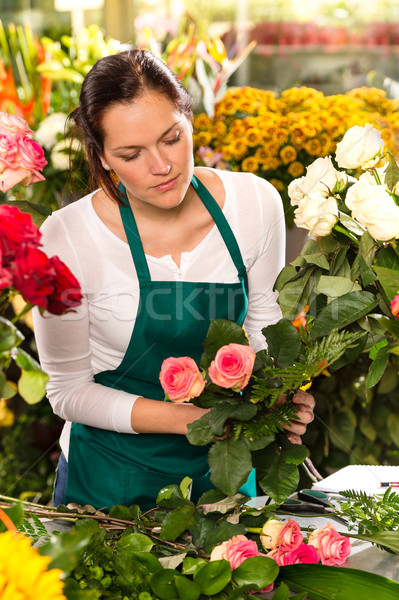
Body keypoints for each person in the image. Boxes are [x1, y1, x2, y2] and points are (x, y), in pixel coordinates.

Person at [33, 48, 315, 511]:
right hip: (108, 482)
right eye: (131, 154)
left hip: (224, 472)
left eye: (171, 138)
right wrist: (190, 419)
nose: (161, 166)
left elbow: (266, 321)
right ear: (102, 157)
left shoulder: (253, 204)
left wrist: (281, 397)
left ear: (189, 119)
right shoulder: (66, 237)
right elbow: (67, 390)